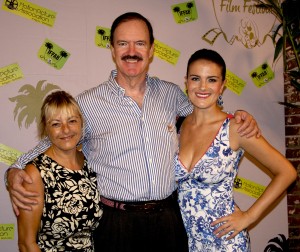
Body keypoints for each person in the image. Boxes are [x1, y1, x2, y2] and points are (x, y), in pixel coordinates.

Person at [6, 12, 260, 252]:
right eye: (123, 44)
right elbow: (56, 140)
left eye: (140, 44)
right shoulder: (88, 103)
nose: (131, 52)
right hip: (117, 225)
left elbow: (205, 108)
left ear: (151, 50)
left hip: (169, 220)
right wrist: (15, 169)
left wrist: (237, 116)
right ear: (113, 50)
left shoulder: (171, 94)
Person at [174, 48, 297, 252]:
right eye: (196, 78)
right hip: (187, 240)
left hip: (226, 241)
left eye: (212, 80)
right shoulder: (178, 124)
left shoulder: (236, 128)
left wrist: (249, 216)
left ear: (222, 85)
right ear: (186, 81)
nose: (203, 87)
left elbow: (287, 172)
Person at [17, 90, 102, 252]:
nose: (65, 129)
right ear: (46, 128)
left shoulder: (89, 163)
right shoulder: (35, 174)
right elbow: (26, 244)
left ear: (81, 123)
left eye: (72, 121)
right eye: (56, 124)